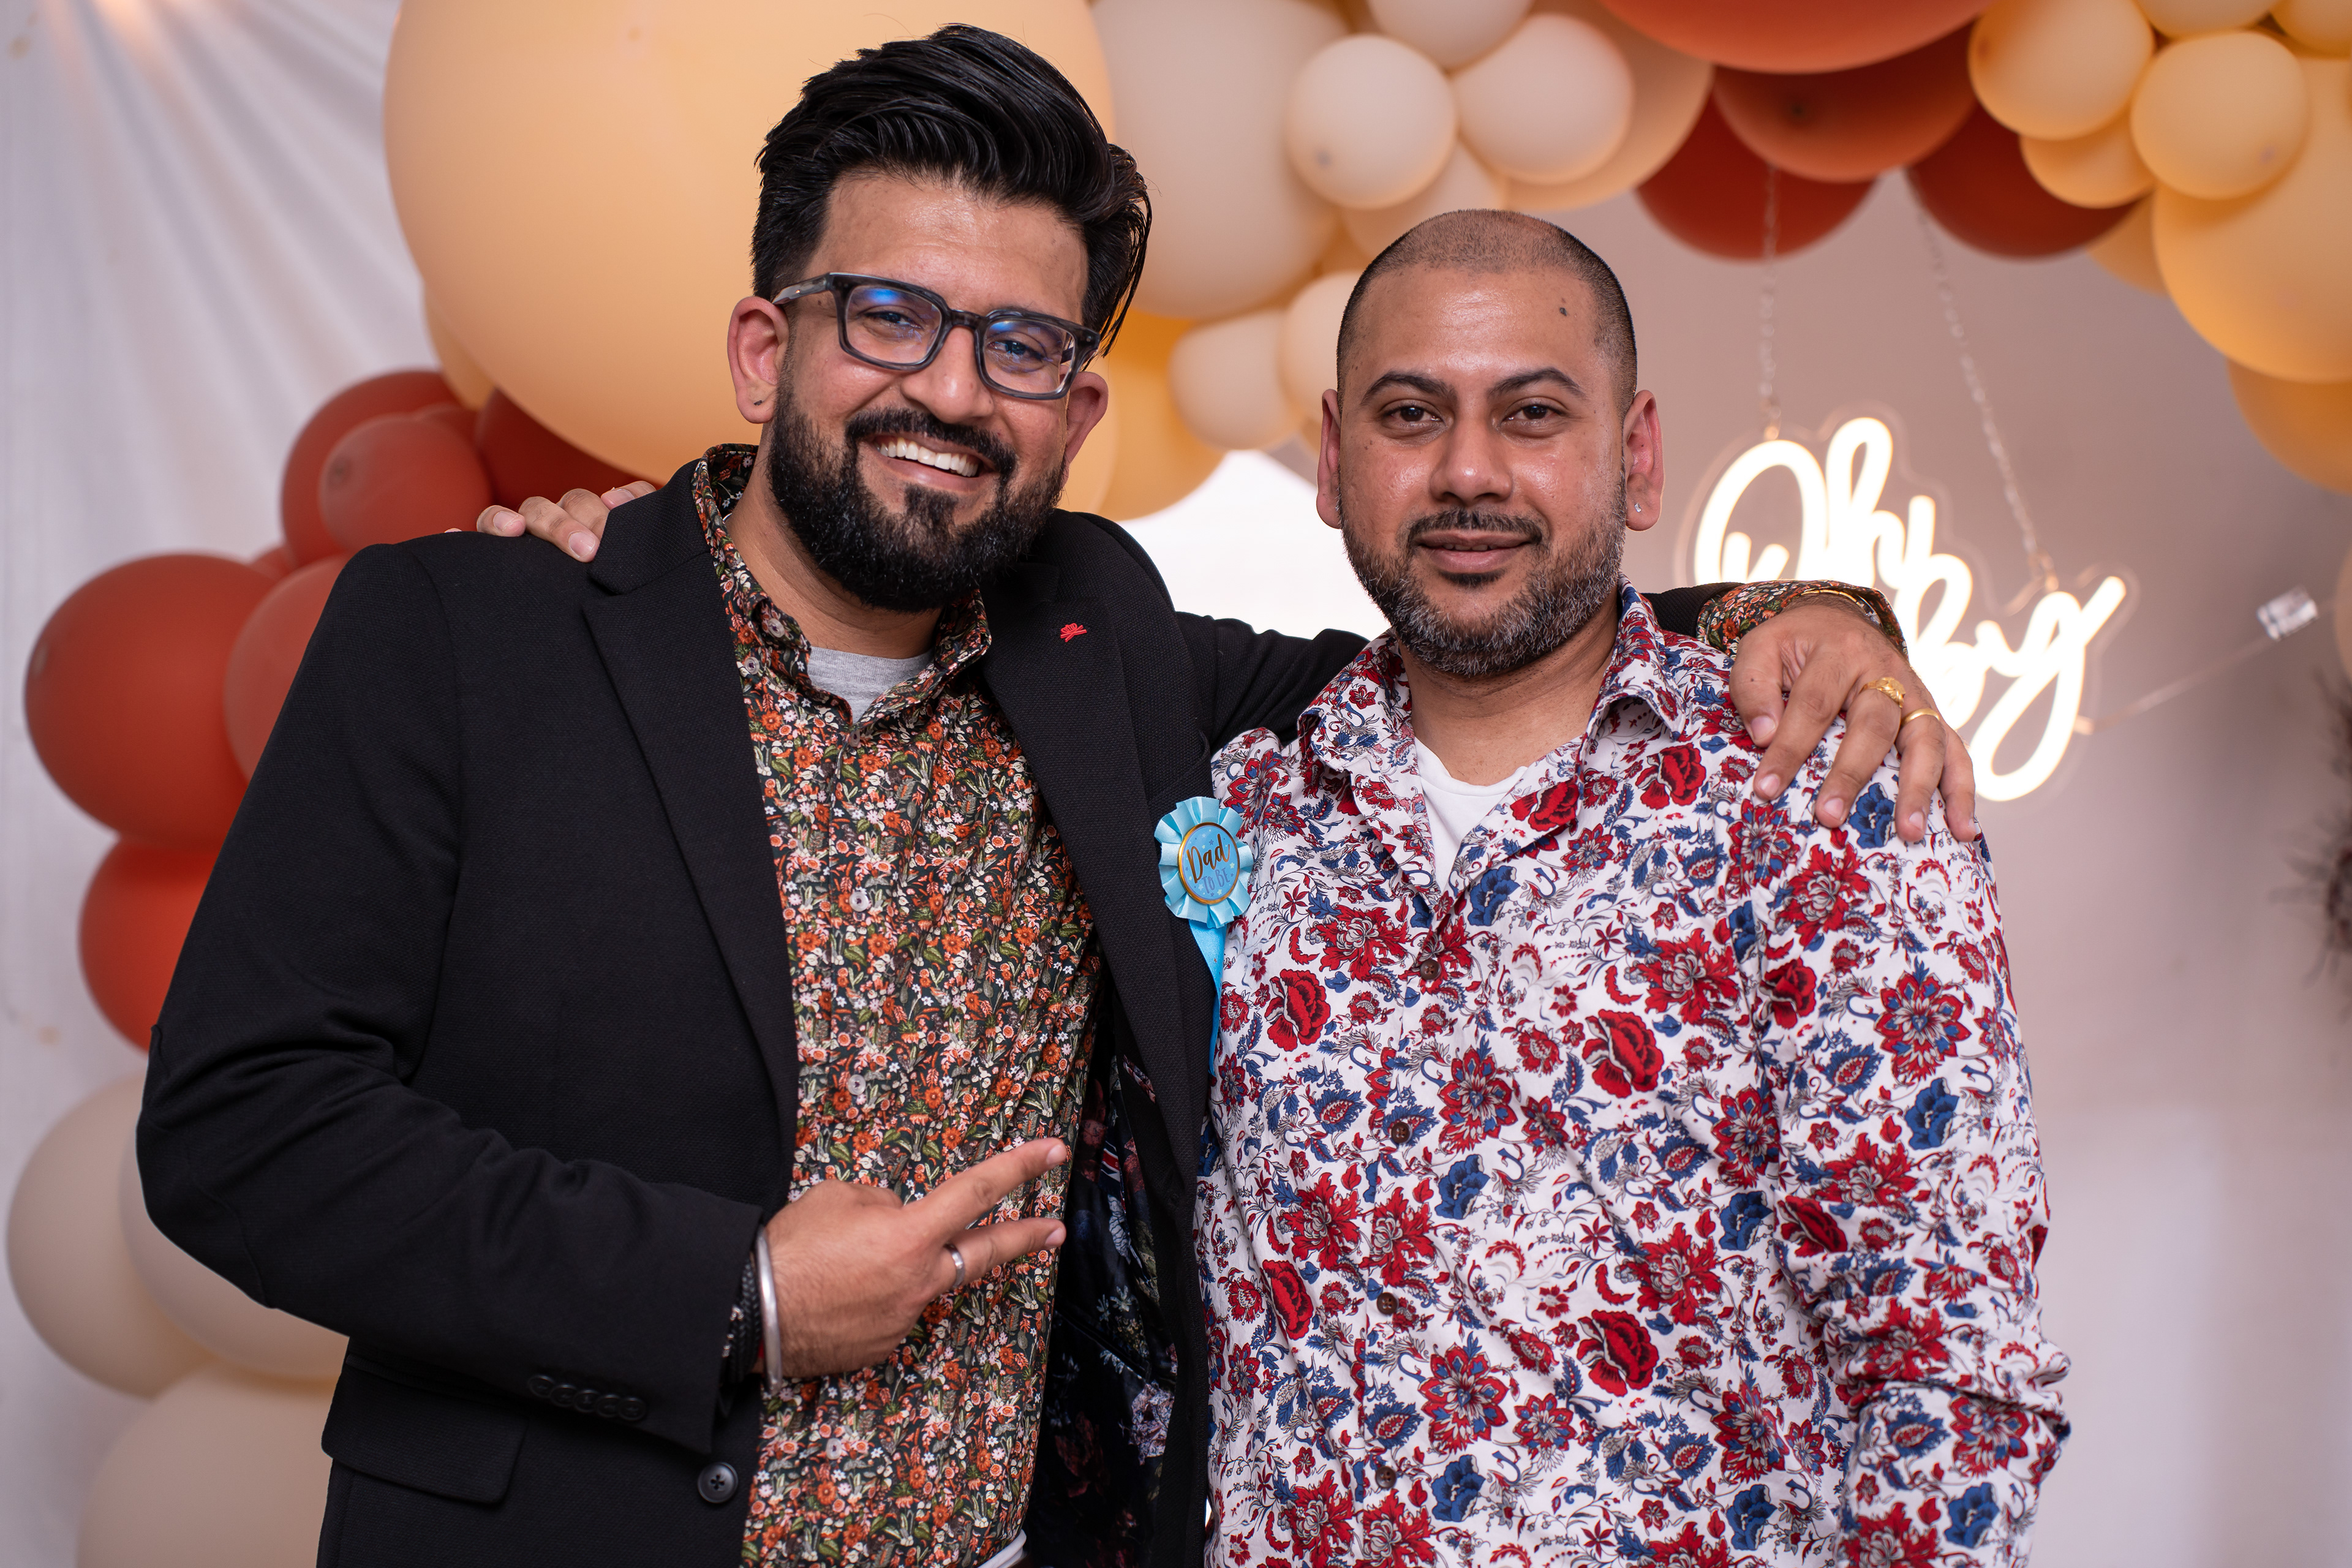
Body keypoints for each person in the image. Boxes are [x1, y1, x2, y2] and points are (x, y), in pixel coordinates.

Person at [140, 26, 1958, 1568]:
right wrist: (736, 1289)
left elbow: (1471, 628)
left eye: (1018, 346)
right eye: (888, 316)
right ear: (767, 349)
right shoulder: (470, 633)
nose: (950, 390)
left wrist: (1802, 616)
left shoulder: (1103, 643)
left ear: (1077, 414)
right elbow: (241, 1128)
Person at [1193, 210, 2067, 1567]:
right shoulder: (1242, 809)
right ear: (1333, 459)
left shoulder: (1827, 801)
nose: (1467, 471)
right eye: (1411, 414)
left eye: (1533, 414)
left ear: (1637, 455)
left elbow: (1948, 1372)